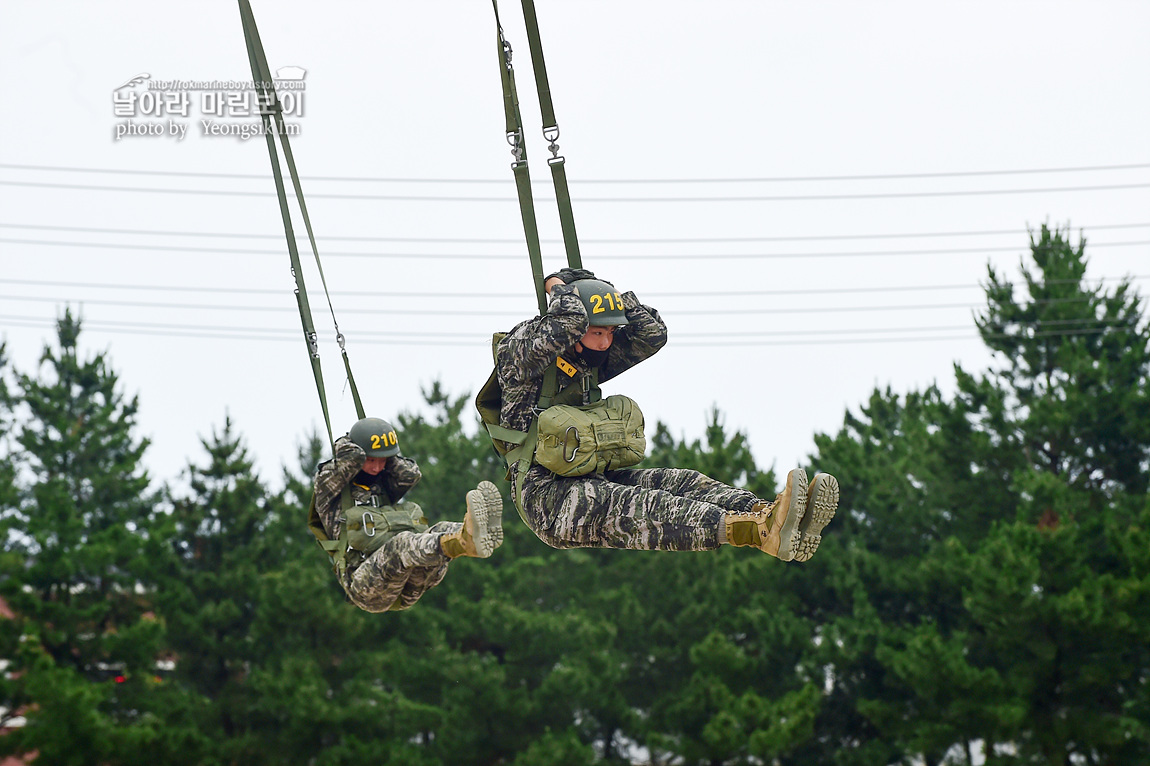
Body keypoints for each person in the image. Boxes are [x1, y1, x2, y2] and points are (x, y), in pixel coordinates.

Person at [487, 267, 838, 561]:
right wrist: (560, 288)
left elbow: (652, 334)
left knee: (683, 482)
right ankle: (756, 532)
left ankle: (769, 515)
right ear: (575, 329)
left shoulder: (587, 360)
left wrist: (610, 297)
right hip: (548, 499)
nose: (606, 343)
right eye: (597, 332)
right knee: (648, 506)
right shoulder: (521, 356)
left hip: (591, 478)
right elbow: (566, 321)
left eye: (610, 332)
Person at [311, 416, 503, 612]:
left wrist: (385, 450)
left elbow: (411, 474)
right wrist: (349, 442)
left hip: (408, 582)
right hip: (366, 586)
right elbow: (351, 460)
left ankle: (476, 534)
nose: (377, 468)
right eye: (370, 460)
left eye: (382, 461)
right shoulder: (329, 489)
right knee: (402, 542)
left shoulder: (382, 483)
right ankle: (462, 541)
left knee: (442, 528)